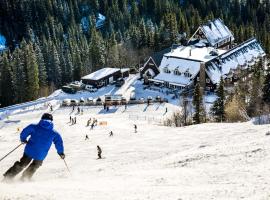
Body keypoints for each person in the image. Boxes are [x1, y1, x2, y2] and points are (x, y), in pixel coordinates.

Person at [3, 113, 65, 181]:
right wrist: (61, 153)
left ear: (42, 119)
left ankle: (8, 177)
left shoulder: (34, 126)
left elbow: (24, 132)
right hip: (41, 154)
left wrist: (23, 139)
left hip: (29, 150)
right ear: (51, 121)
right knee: (34, 166)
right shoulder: (54, 133)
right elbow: (59, 143)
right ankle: (24, 179)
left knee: (22, 163)